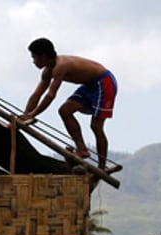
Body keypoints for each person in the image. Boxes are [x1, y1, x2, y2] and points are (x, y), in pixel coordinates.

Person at [19, 38, 118, 171]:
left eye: (34, 58)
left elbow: (50, 95)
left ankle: (101, 166)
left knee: (96, 126)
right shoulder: (47, 71)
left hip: (103, 82)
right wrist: (25, 115)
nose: (33, 62)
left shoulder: (61, 66)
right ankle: (82, 149)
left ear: (43, 56)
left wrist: (32, 114)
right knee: (65, 111)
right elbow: (37, 95)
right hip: (89, 85)